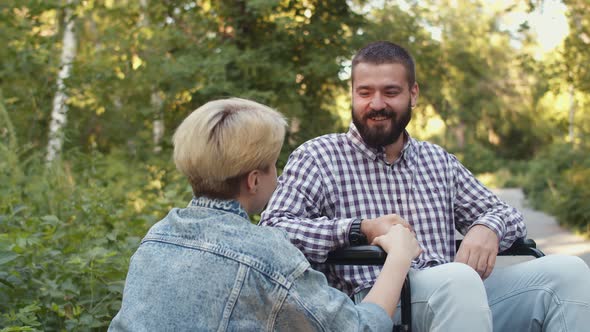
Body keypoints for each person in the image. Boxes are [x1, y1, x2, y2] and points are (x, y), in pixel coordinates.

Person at [260, 41, 590, 331]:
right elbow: (273, 231)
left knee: (569, 271)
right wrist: (359, 229)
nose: (376, 104)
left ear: (413, 94)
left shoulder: (437, 160)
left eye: (390, 92)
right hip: (372, 302)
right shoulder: (319, 155)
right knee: (459, 280)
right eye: (365, 92)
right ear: (352, 94)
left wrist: (487, 227)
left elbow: (502, 212)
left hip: (457, 294)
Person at [108, 97, 422, 331]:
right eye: (274, 164)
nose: (280, 175)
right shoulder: (266, 254)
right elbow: (360, 328)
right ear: (254, 180)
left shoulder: (158, 236)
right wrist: (398, 256)